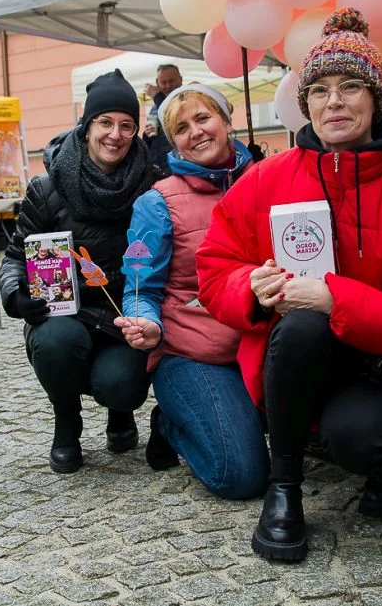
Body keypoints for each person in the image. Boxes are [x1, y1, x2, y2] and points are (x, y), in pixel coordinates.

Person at [196, 9, 382, 562]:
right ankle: (285, 489)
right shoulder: (266, 179)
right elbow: (215, 268)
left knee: (358, 438)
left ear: (376, 100)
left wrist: (335, 297)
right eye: (319, 89)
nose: (334, 101)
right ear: (305, 103)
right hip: (297, 357)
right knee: (300, 326)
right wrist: (249, 286)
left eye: (351, 87)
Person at [114, 83, 268, 499]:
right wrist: (146, 321)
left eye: (203, 118)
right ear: (174, 142)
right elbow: (140, 285)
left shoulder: (267, 181)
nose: (196, 132)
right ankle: (170, 422)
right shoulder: (157, 203)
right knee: (241, 475)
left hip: (266, 343)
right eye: (182, 128)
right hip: (197, 354)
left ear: (226, 120)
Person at [0, 69, 156, 473]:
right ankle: (66, 420)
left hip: (123, 316)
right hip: (64, 314)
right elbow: (17, 255)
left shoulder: (152, 185)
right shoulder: (47, 188)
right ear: (87, 127)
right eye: (105, 122)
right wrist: (17, 295)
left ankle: (119, 411)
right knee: (55, 343)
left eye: (126, 125)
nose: (115, 135)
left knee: (122, 385)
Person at [143, 64, 183, 175]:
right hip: (158, 170)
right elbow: (150, 140)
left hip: (178, 168)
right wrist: (147, 135)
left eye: (172, 81)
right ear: (157, 83)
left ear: (180, 80)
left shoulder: (186, 99)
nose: (168, 85)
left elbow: (174, 115)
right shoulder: (155, 107)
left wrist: (157, 96)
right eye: (163, 82)